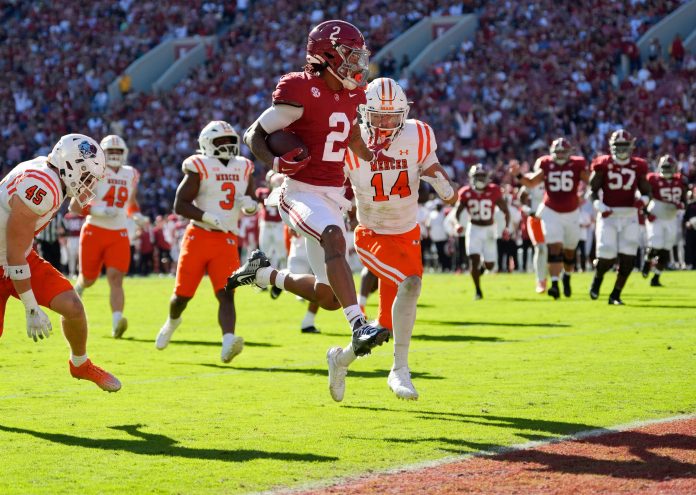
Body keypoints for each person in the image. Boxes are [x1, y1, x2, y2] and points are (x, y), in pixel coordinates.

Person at [228, 20, 393, 358]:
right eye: (350, 55)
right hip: (299, 191)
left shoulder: (353, 95)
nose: (358, 63)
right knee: (332, 236)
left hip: (333, 196)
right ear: (327, 55)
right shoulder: (300, 90)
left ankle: (264, 274)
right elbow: (253, 135)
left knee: (329, 297)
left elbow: (351, 138)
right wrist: (275, 165)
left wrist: (377, 155)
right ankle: (360, 326)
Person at [336, 77, 458, 401]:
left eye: (393, 117)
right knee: (412, 283)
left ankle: (340, 359)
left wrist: (443, 184)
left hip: (407, 235)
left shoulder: (417, 134)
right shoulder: (352, 139)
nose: (387, 123)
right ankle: (400, 370)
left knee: (383, 329)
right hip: (372, 232)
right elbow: (336, 185)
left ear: (404, 114)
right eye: (379, 116)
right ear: (365, 113)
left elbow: (441, 179)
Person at [0, 133, 120, 391]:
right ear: (70, 166)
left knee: (73, 306)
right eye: (87, 176)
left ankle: (80, 364)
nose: (89, 185)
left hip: (17, 254)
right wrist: (31, 307)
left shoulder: (52, 172)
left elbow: (17, 249)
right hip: (11, 255)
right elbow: (13, 252)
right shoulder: (43, 186)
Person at [156, 121, 258, 363]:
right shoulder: (199, 165)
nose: (226, 146)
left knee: (226, 294)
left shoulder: (244, 167)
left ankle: (228, 342)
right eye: (220, 141)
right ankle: (172, 322)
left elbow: (251, 198)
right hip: (199, 236)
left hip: (227, 239)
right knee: (182, 296)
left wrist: (251, 206)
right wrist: (206, 216)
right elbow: (179, 204)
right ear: (206, 144)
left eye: (229, 141)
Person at [74, 135, 147, 338]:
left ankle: (117, 322)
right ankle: (79, 286)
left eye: (118, 152)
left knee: (116, 279)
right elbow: (75, 205)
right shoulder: (94, 171)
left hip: (119, 232)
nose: (114, 155)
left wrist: (137, 215)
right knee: (89, 278)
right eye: (111, 152)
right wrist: (98, 211)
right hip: (94, 231)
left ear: (124, 154)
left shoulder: (131, 173)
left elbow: (130, 203)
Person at [511, 139, 589, 299]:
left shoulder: (577, 164)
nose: (560, 155)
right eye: (557, 152)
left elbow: (593, 181)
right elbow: (528, 186)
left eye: (562, 152)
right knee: (550, 248)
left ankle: (566, 276)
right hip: (548, 211)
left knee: (569, 251)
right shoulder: (545, 166)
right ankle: (552, 283)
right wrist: (518, 175)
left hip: (571, 211)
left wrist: (586, 195)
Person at [589, 129, 651, 305]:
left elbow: (647, 191)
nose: (621, 149)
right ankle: (598, 277)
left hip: (630, 214)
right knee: (606, 254)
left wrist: (643, 201)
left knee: (628, 257)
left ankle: (615, 294)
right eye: (618, 145)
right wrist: (599, 205)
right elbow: (592, 190)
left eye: (624, 145)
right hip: (609, 213)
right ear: (611, 146)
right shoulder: (603, 164)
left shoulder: (639, 165)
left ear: (631, 146)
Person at [454, 164, 510, 300]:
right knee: (474, 259)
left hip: (490, 229)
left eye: (482, 176)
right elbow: (458, 211)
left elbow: (505, 210)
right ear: (471, 178)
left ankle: (482, 271)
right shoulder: (466, 192)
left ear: (487, 177)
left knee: (490, 265)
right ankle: (478, 291)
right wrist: (457, 224)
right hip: (473, 228)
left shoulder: (494, 190)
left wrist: (505, 228)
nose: (479, 178)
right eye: (477, 176)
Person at [642, 155, 687, 286]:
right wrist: (646, 212)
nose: (667, 170)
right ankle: (647, 261)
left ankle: (656, 277)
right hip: (656, 213)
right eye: (665, 167)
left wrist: (682, 205)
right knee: (656, 244)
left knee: (666, 249)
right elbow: (643, 195)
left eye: (669, 167)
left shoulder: (680, 180)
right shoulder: (653, 179)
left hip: (671, 217)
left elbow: (684, 199)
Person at [284, 224, 321, 333]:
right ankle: (276, 278)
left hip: (320, 233)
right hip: (311, 233)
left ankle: (308, 322)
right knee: (323, 281)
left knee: (323, 282)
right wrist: (290, 222)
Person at [256, 170, 286, 298]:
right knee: (264, 254)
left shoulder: (283, 193)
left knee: (282, 255)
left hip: (279, 226)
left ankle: (285, 280)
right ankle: (262, 282)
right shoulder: (261, 193)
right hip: (266, 225)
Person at [518, 181, 547, 293]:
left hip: (554, 218)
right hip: (536, 218)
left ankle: (557, 279)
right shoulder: (531, 180)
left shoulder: (555, 175)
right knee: (540, 249)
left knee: (555, 249)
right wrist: (528, 210)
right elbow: (521, 199)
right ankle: (540, 281)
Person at [62, 211, 85, 278]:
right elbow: (65, 229)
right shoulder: (67, 217)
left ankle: (81, 272)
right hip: (70, 238)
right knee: (71, 256)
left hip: (79, 238)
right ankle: (72, 272)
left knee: (80, 256)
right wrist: (65, 238)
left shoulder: (81, 217)